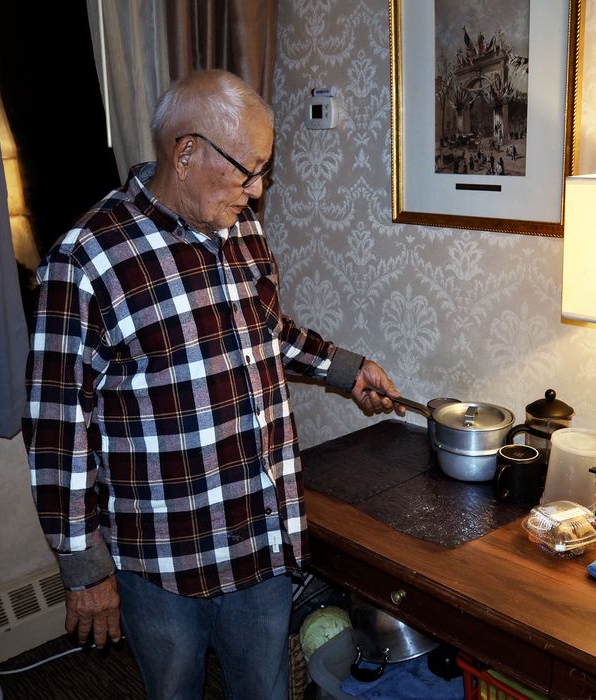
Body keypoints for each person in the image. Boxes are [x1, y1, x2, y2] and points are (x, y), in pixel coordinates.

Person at [23, 69, 404, 700]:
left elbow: (265, 332)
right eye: (247, 170)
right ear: (186, 151)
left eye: (264, 173)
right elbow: (57, 426)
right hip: (164, 558)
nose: (257, 193)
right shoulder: (86, 259)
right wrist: (85, 570)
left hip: (260, 536)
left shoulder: (239, 228)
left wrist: (345, 368)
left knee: (266, 688)